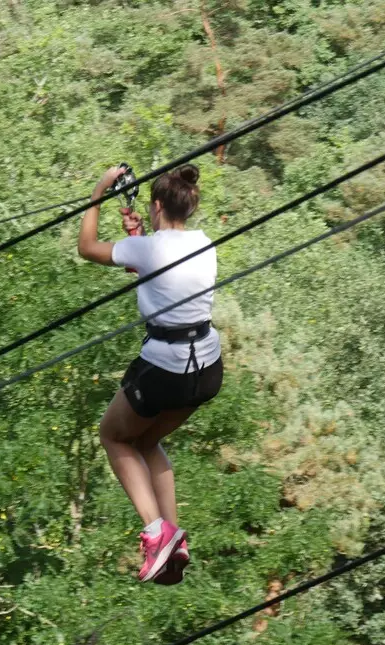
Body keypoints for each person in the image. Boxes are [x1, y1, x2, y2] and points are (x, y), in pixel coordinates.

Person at [77, 164, 223, 585]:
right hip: (207, 369)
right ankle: (174, 536)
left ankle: (157, 534)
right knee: (146, 440)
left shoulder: (147, 249)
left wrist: (99, 191)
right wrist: (139, 240)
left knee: (113, 436)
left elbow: (87, 247)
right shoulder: (205, 244)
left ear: (156, 205)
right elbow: (163, 276)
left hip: (164, 367)